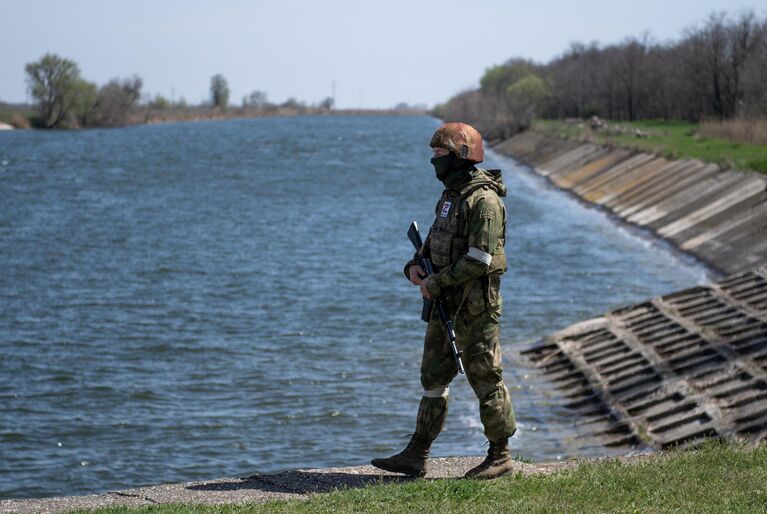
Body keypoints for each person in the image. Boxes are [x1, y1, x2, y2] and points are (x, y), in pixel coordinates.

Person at [371, 122, 517, 480]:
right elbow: (436, 240)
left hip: (475, 305)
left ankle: (500, 455)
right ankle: (417, 453)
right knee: (433, 375)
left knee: (485, 376)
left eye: (440, 155)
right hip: (444, 301)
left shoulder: (484, 202)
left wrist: (437, 282)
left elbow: (480, 259)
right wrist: (414, 268)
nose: (434, 161)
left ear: (460, 157)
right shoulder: (452, 196)